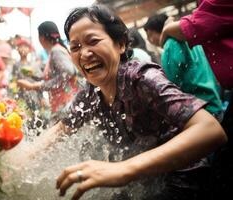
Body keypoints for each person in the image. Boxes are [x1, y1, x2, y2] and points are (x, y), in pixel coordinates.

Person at [27, 5, 227, 200]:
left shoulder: (142, 79)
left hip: (183, 185)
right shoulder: (91, 93)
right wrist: (16, 160)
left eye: (93, 41)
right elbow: (61, 129)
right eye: (75, 47)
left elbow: (210, 130)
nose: (85, 53)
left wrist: (123, 169)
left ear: (120, 44)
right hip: (143, 185)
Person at [160, 1, 233, 199]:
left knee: (218, 173)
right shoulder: (200, 42)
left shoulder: (171, 44)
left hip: (200, 116)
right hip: (216, 105)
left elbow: (169, 89)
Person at [144, 13, 223, 121]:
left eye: (150, 35)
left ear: (160, 29)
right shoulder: (188, 38)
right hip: (213, 101)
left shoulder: (170, 44)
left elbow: (172, 85)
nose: (149, 40)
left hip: (200, 110)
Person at [17, 21, 79, 119]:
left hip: (66, 103)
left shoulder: (56, 51)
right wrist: (33, 75)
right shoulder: (56, 50)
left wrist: (34, 86)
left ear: (41, 38)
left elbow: (68, 73)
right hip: (62, 103)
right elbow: (56, 75)